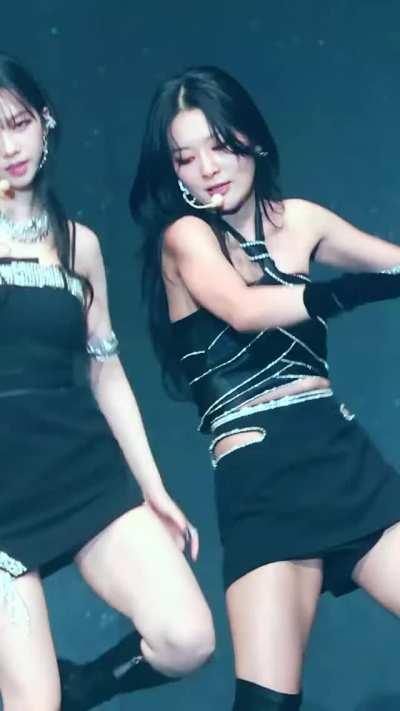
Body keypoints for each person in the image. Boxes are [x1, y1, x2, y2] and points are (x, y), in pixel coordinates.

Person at [130, 65, 400, 710]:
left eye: (220, 145)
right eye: (185, 157)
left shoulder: (300, 220)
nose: (207, 169)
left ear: (250, 137)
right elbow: (244, 309)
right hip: (262, 476)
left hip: (340, 459)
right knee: (269, 703)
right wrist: (348, 292)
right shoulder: (185, 238)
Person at [0, 54, 214, 711]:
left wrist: (154, 487)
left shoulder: (79, 245)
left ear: (45, 122)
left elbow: (107, 368)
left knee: (186, 638)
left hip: (81, 473)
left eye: (18, 123)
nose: (8, 146)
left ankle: (84, 686)